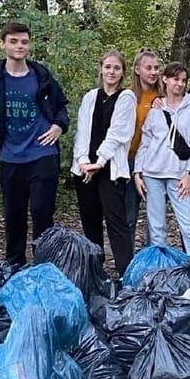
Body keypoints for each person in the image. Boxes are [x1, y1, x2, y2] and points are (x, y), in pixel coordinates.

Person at [0, 21, 69, 265]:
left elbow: (61, 105)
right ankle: (14, 267)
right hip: (9, 155)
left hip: (43, 152)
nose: (20, 46)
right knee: (13, 216)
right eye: (14, 41)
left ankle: (43, 267)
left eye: (24, 42)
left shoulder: (41, 74)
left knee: (42, 214)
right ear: (3, 44)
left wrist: (58, 125)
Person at [71, 50, 137, 275]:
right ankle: (95, 272)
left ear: (122, 73)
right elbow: (81, 132)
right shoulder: (90, 96)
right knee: (90, 224)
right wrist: (82, 161)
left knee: (117, 224)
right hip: (85, 170)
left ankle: (125, 273)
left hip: (110, 169)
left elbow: (119, 133)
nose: (111, 72)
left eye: (116, 68)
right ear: (101, 69)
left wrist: (99, 161)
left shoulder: (126, 97)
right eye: (108, 67)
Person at [134, 62, 190, 253]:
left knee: (189, 227)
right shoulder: (156, 107)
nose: (179, 84)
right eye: (176, 79)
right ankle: (159, 270)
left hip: (179, 174)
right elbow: (146, 141)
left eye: (183, 80)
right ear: (165, 79)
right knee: (156, 228)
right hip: (152, 173)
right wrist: (137, 172)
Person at [126, 48, 163, 235]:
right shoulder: (128, 95)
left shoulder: (164, 97)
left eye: (156, 68)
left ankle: (153, 257)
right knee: (129, 214)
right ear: (137, 70)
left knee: (154, 216)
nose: (153, 72)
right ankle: (128, 259)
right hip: (129, 160)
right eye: (148, 68)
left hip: (154, 162)